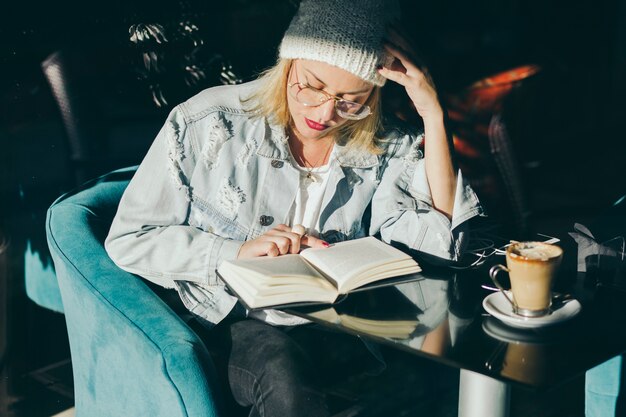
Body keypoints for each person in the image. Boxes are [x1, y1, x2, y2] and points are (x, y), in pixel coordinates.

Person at [105, 0, 483, 415]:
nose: (324, 113)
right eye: (312, 86)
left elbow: (442, 242)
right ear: (288, 61)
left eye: (350, 100)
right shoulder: (208, 122)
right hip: (227, 316)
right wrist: (235, 253)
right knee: (286, 378)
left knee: (440, 375)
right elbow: (131, 238)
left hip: (332, 321)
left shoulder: (384, 144)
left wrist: (432, 113)